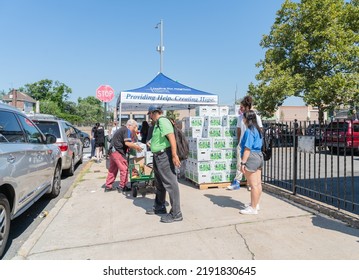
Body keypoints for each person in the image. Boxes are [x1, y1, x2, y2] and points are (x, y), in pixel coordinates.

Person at [145, 105, 183, 223]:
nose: (150, 118)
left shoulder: (162, 121)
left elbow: (171, 137)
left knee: (170, 183)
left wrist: (174, 155)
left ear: (153, 113)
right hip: (158, 156)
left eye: (150, 115)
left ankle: (176, 213)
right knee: (160, 183)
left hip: (164, 156)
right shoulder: (157, 124)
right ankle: (160, 206)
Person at [227, 95, 263, 190]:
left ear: (247, 107)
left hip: (250, 147)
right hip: (243, 145)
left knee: (249, 165)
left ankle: (250, 184)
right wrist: (239, 142)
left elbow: (260, 130)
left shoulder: (256, 118)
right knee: (240, 163)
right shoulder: (240, 118)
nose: (240, 109)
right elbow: (239, 130)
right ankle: (238, 181)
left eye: (242, 107)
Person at [105, 119, 142, 192]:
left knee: (113, 169)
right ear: (129, 125)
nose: (135, 129)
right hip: (117, 152)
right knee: (124, 169)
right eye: (134, 127)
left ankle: (108, 185)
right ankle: (122, 186)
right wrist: (137, 147)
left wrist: (134, 133)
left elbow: (130, 140)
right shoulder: (126, 130)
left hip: (112, 151)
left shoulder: (122, 129)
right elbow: (127, 143)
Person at [239, 110, 264, 215]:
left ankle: (253, 208)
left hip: (251, 157)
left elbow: (247, 148)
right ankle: (255, 203)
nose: (242, 119)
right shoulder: (258, 130)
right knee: (258, 184)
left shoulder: (249, 131)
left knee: (253, 185)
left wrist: (243, 163)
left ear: (247, 119)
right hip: (259, 156)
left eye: (243, 117)